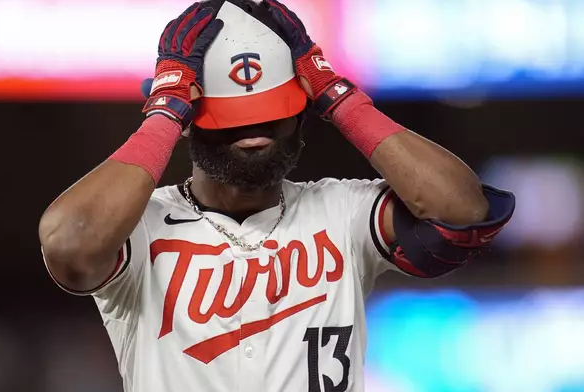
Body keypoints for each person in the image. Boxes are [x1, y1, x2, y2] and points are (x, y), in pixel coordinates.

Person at [38, 1, 515, 391]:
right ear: (188, 121)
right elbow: (68, 242)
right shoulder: (139, 225)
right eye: (236, 118)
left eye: (270, 115)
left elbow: (463, 211)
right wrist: (163, 114)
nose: (255, 134)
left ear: (302, 111)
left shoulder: (343, 211)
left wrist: (339, 95)